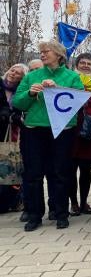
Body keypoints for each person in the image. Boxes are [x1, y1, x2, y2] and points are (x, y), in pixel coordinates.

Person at [13, 40, 84, 231]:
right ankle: (35, 215)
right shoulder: (32, 76)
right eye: (41, 52)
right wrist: (29, 92)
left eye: (47, 52)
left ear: (59, 55)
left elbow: (78, 101)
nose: (43, 55)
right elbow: (18, 103)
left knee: (60, 172)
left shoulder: (71, 77)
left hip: (61, 131)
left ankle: (60, 213)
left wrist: (57, 90)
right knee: (33, 174)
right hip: (34, 129)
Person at [69, 53, 91, 216]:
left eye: (88, 64)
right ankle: (73, 202)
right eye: (82, 63)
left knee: (86, 169)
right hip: (72, 129)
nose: (85, 66)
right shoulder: (69, 80)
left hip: (90, 130)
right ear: (77, 64)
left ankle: (84, 202)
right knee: (71, 169)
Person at [0, 63, 27, 215]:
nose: (13, 74)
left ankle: (14, 200)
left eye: (17, 73)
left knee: (12, 168)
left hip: (13, 134)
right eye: (12, 70)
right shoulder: (0, 86)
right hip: (2, 130)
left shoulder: (19, 93)